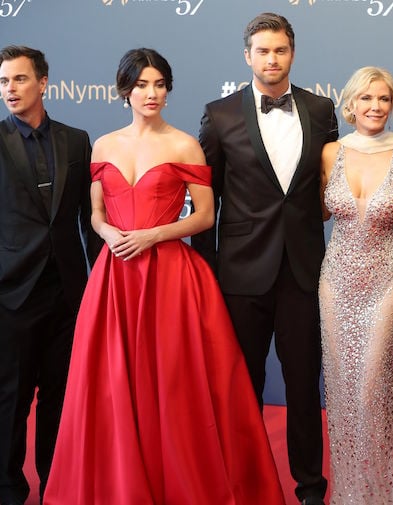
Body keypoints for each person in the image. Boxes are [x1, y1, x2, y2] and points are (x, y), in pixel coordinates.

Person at [42, 48, 285, 505]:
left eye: (158, 84)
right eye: (141, 85)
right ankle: (121, 484)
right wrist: (108, 233)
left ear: (168, 91)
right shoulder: (104, 145)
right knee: (113, 385)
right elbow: (94, 214)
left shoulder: (184, 145)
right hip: (116, 278)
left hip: (171, 276)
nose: (150, 93)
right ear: (125, 92)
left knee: (174, 384)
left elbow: (205, 216)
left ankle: (180, 481)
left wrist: (152, 235)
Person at [191, 12, 338, 505]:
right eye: (263, 51)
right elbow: (206, 201)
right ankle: (244, 483)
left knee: (304, 387)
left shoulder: (321, 110)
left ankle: (310, 488)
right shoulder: (219, 115)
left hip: (303, 270)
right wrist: (208, 272)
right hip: (240, 273)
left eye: (280, 50)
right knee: (241, 388)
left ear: (292, 53)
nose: (272, 59)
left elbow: (331, 184)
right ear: (247, 56)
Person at [319, 66, 393, 504]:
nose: (375, 106)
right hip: (336, 284)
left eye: (384, 99)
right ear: (351, 104)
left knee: (373, 390)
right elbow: (317, 212)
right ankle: (352, 493)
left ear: (392, 105)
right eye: (367, 98)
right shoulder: (329, 153)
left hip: (387, 283)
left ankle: (382, 492)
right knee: (342, 392)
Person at [0, 45, 101, 505]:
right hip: (11, 294)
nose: (10, 89)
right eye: (4, 82)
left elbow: (89, 219)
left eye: (19, 79)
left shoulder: (76, 140)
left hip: (66, 293)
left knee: (60, 402)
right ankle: (8, 491)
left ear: (43, 83)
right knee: (10, 402)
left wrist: (97, 284)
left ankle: (55, 489)